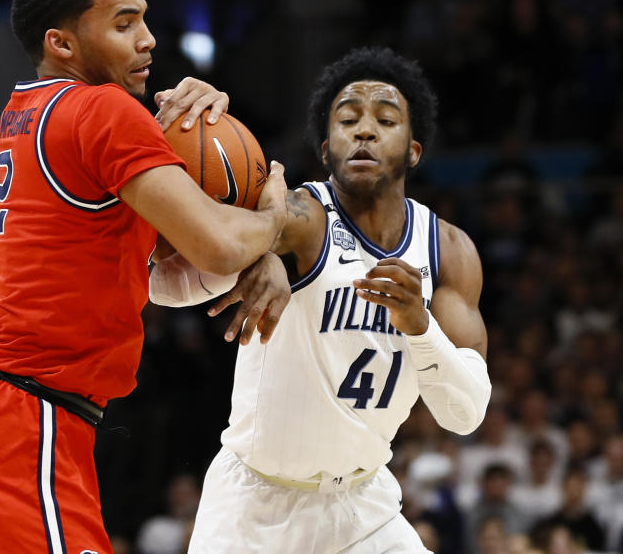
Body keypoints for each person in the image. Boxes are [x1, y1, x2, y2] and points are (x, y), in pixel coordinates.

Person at [0, 0, 289, 554]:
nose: (147, 39)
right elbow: (220, 246)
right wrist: (270, 217)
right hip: (26, 428)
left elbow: (158, 277)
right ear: (62, 42)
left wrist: (174, 127)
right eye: (123, 25)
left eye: (144, 20)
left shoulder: (27, 111)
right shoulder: (101, 110)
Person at [151, 47, 491, 552]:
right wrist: (168, 143)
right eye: (347, 119)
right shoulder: (297, 217)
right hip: (255, 508)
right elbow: (166, 287)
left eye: (386, 119)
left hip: (363, 508)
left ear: (413, 149)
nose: (365, 130)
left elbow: (465, 416)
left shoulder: (449, 251)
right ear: (326, 148)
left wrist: (420, 327)